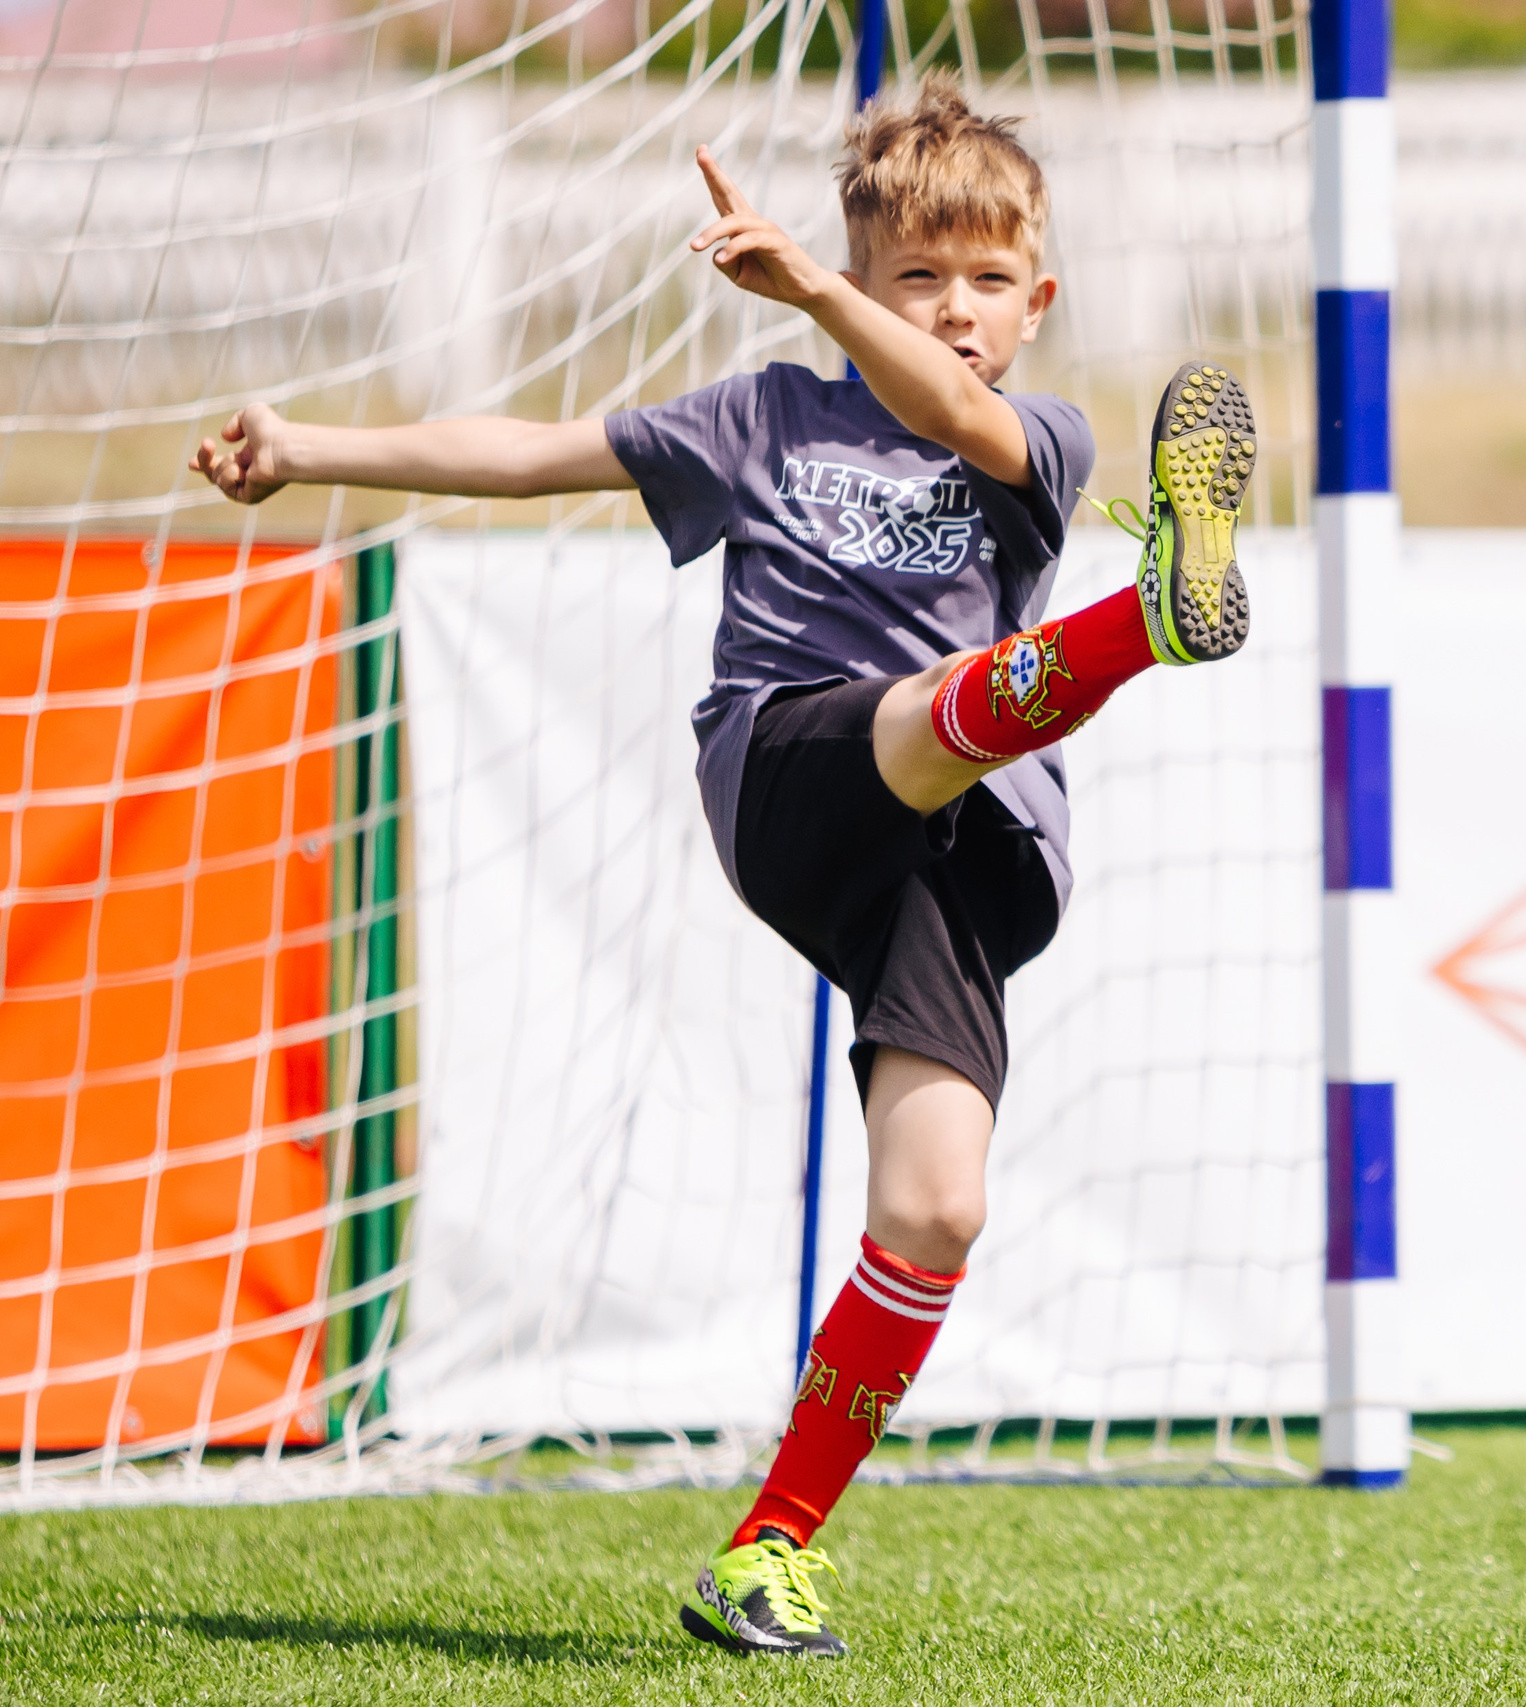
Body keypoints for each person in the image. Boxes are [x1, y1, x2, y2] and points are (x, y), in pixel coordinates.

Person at [190, 71, 1257, 1660]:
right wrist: (308, 441)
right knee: (915, 718)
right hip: (791, 771)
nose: (952, 311)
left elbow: (955, 414)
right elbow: (534, 452)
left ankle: (769, 1555)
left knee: (939, 1206)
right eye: (916, 277)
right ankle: (1154, 626)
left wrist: (826, 289)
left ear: (1036, 304)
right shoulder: (762, 417)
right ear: (862, 277)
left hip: (961, 849)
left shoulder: (1039, 438)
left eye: (983, 284)